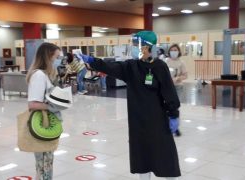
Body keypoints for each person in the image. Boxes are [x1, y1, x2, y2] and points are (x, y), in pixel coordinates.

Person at [77, 31, 181, 180]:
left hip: (157, 120)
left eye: (135, 45)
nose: (132, 48)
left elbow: (169, 92)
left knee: (165, 156)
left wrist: (173, 114)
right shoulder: (131, 66)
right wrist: (92, 61)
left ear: (146, 47)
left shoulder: (160, 67)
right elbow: (110, 66)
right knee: (142, 157)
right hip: (138, 122)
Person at [26, 42, 63, 180]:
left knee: (45, 163)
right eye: (56, 57)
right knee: (43, 164)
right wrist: (54, 106)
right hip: (42, 125)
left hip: (46, 124)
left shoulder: (44, 75)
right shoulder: (39, 76)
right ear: (48, 57)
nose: (57, 60)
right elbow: (33, 104)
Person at [166, 44, 187, 137]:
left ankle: (175, 127)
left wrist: (178, 78)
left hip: (178, 87)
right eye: (172, 50)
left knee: (175, 107)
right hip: (166, 88)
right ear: (169, 51)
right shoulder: (165, 61)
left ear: (178, 52)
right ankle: (167, 126)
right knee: (166, 107)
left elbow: (185, 75)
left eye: (175, 50)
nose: (174, 51)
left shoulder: (181, 63)